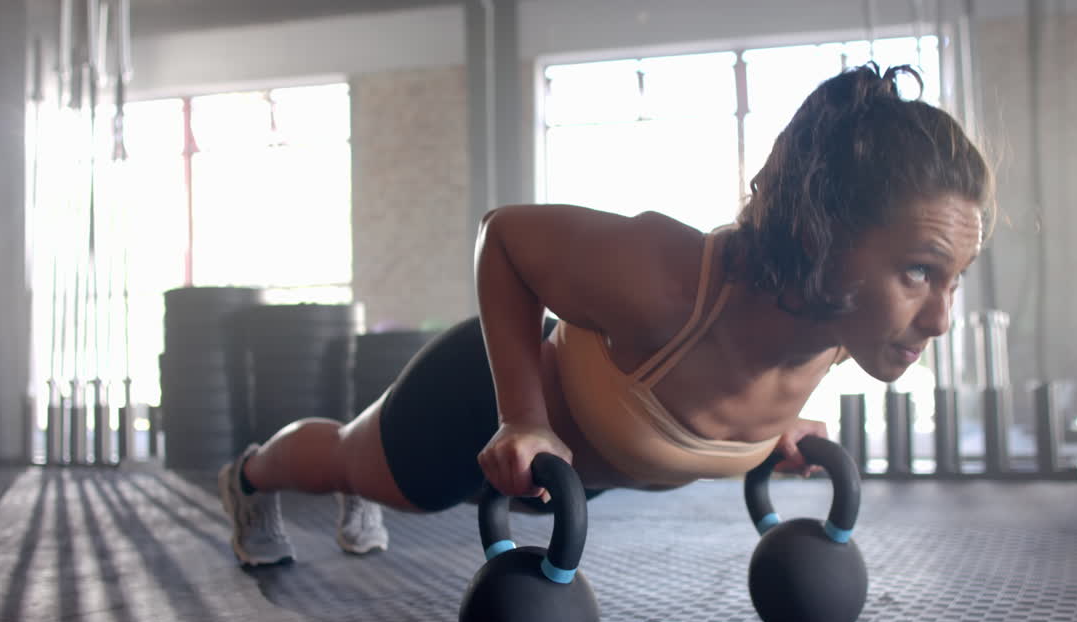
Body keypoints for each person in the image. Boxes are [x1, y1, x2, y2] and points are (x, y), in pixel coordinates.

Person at [216, 63, 993, 567]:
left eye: (954, 279)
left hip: (568, 479)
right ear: (825, 237)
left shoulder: (846, 328)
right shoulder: (667, 281)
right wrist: (521, 416)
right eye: (920, 272)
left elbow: (742, 386)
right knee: (357, 465)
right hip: (472, 405)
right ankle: (249, 477)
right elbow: (505, 236)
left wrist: (769, 435)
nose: (941, 318)